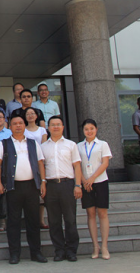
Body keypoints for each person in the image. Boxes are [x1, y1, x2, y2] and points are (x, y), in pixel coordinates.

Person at [0, 114, 48, 265]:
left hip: (31, 187)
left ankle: (36, 252)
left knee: (33, 220)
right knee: (13, 221)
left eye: (20, 123)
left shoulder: (33, 143)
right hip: (13, 187)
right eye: (15, 123)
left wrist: (43, 182)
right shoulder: (4, 143)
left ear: (24, 126)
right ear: (9, 127)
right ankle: (14, 254)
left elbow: (40, 163)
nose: (18, 126)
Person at [41, 116, 82, 262]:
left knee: (70, 219)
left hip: (67, 184)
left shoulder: (71, 145)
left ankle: (71, 251)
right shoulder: (43, 147)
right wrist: (43, 184)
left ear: (63, 127)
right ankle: (59, 250)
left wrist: (78, 185)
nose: (56, 127)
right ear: (48, 128)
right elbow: (41, 167)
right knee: (54, 221)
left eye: (58, 124)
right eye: (53, 125)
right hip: (51, 186)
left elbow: (77, 166)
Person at [77, 119, 112, 260]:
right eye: (86, 129)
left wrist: (92, 178)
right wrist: (84, 180)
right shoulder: (79, 146)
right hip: (86, 184)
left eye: (91, 128)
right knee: (90, 213)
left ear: (96, 129)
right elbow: (77, 165)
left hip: (100, 181)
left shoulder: (103, 144)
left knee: (102, 213)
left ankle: (104, 246)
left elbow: (105, 163)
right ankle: (95, 246)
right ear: (83, 131)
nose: (89, 131)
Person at [23, 106, 49, 229]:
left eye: (32, 113)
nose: (30, 115)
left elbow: (43, 145)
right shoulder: (23, 130)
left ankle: (41, 220)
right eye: (28, 114)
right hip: (27, 161)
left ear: (36, 116)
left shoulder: (42, 130)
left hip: (40, 161)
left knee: (41, 193)